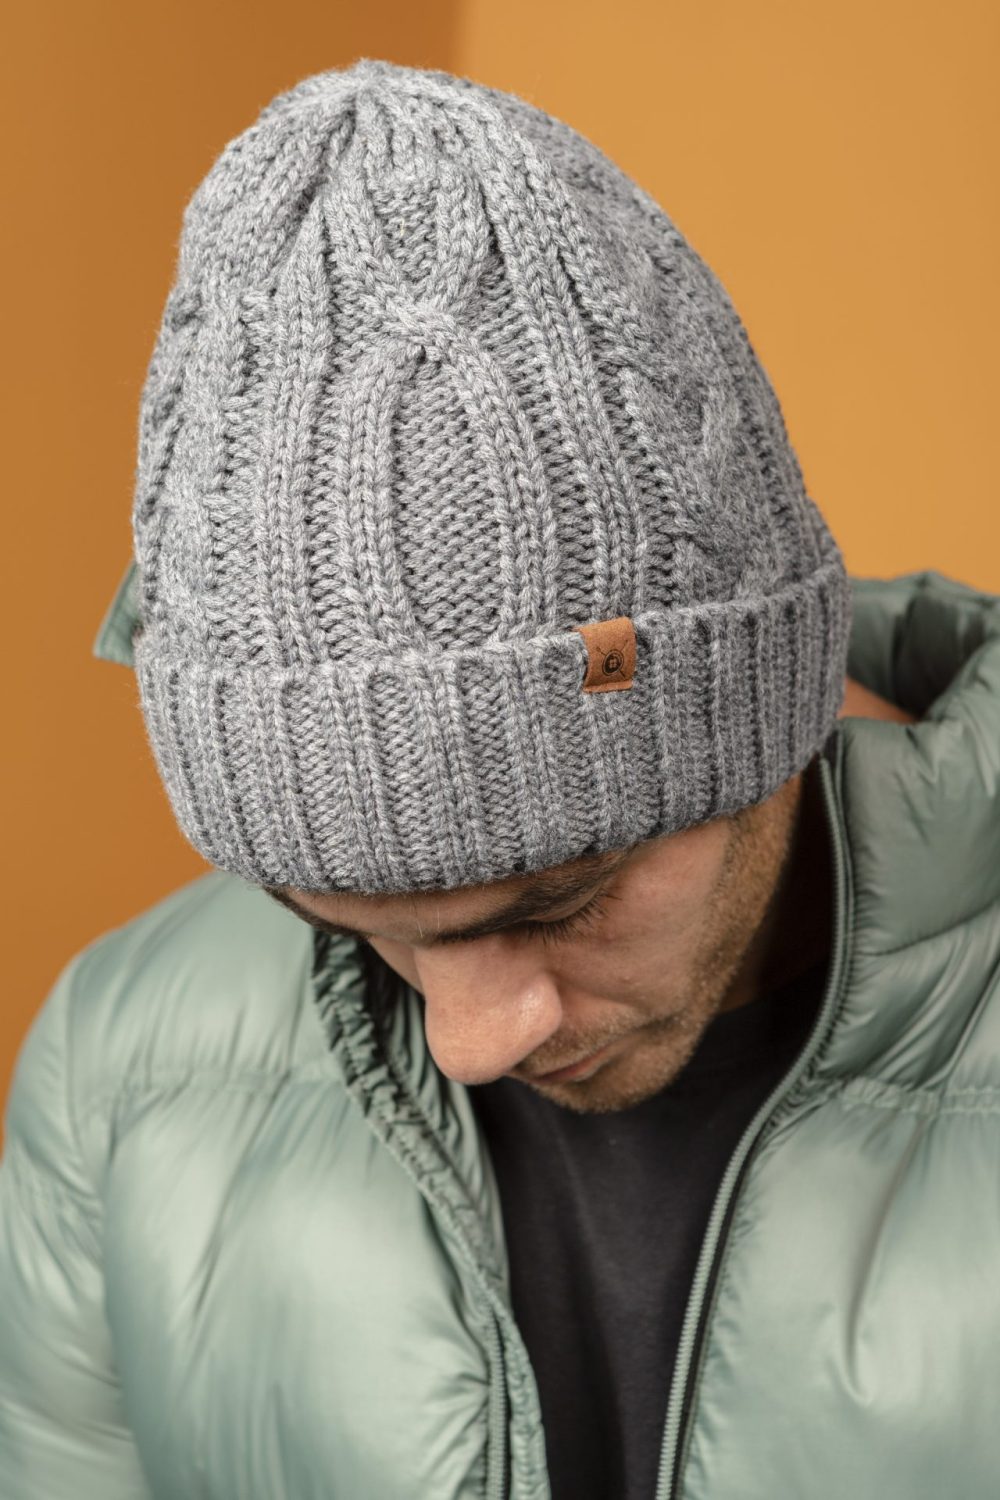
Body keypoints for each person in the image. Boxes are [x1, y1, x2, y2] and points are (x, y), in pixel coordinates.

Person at [1, 56, 997, 1500]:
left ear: (767, 707)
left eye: (559, 899)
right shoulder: (119, 1069)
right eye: (350, 923)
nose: (469, 1038)